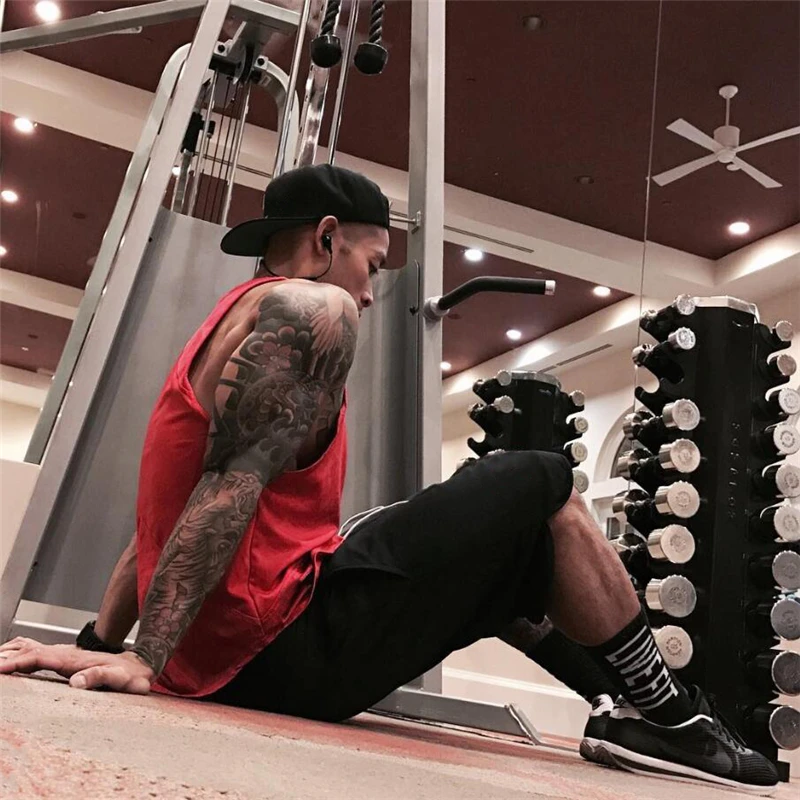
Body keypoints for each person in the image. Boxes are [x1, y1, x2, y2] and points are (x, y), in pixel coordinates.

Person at [0, 165, 778, 795]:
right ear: (326, 237)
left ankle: (627, 712)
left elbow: (159, 524)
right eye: (372, 264)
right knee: (540, 477)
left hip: (254, 649)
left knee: (508, 561)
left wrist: (101, 642)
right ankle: (676, 718)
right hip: (283, 653)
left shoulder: (220, 324)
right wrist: (144, 659)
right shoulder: (315, 310)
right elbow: (230, 489)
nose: (372, 290)